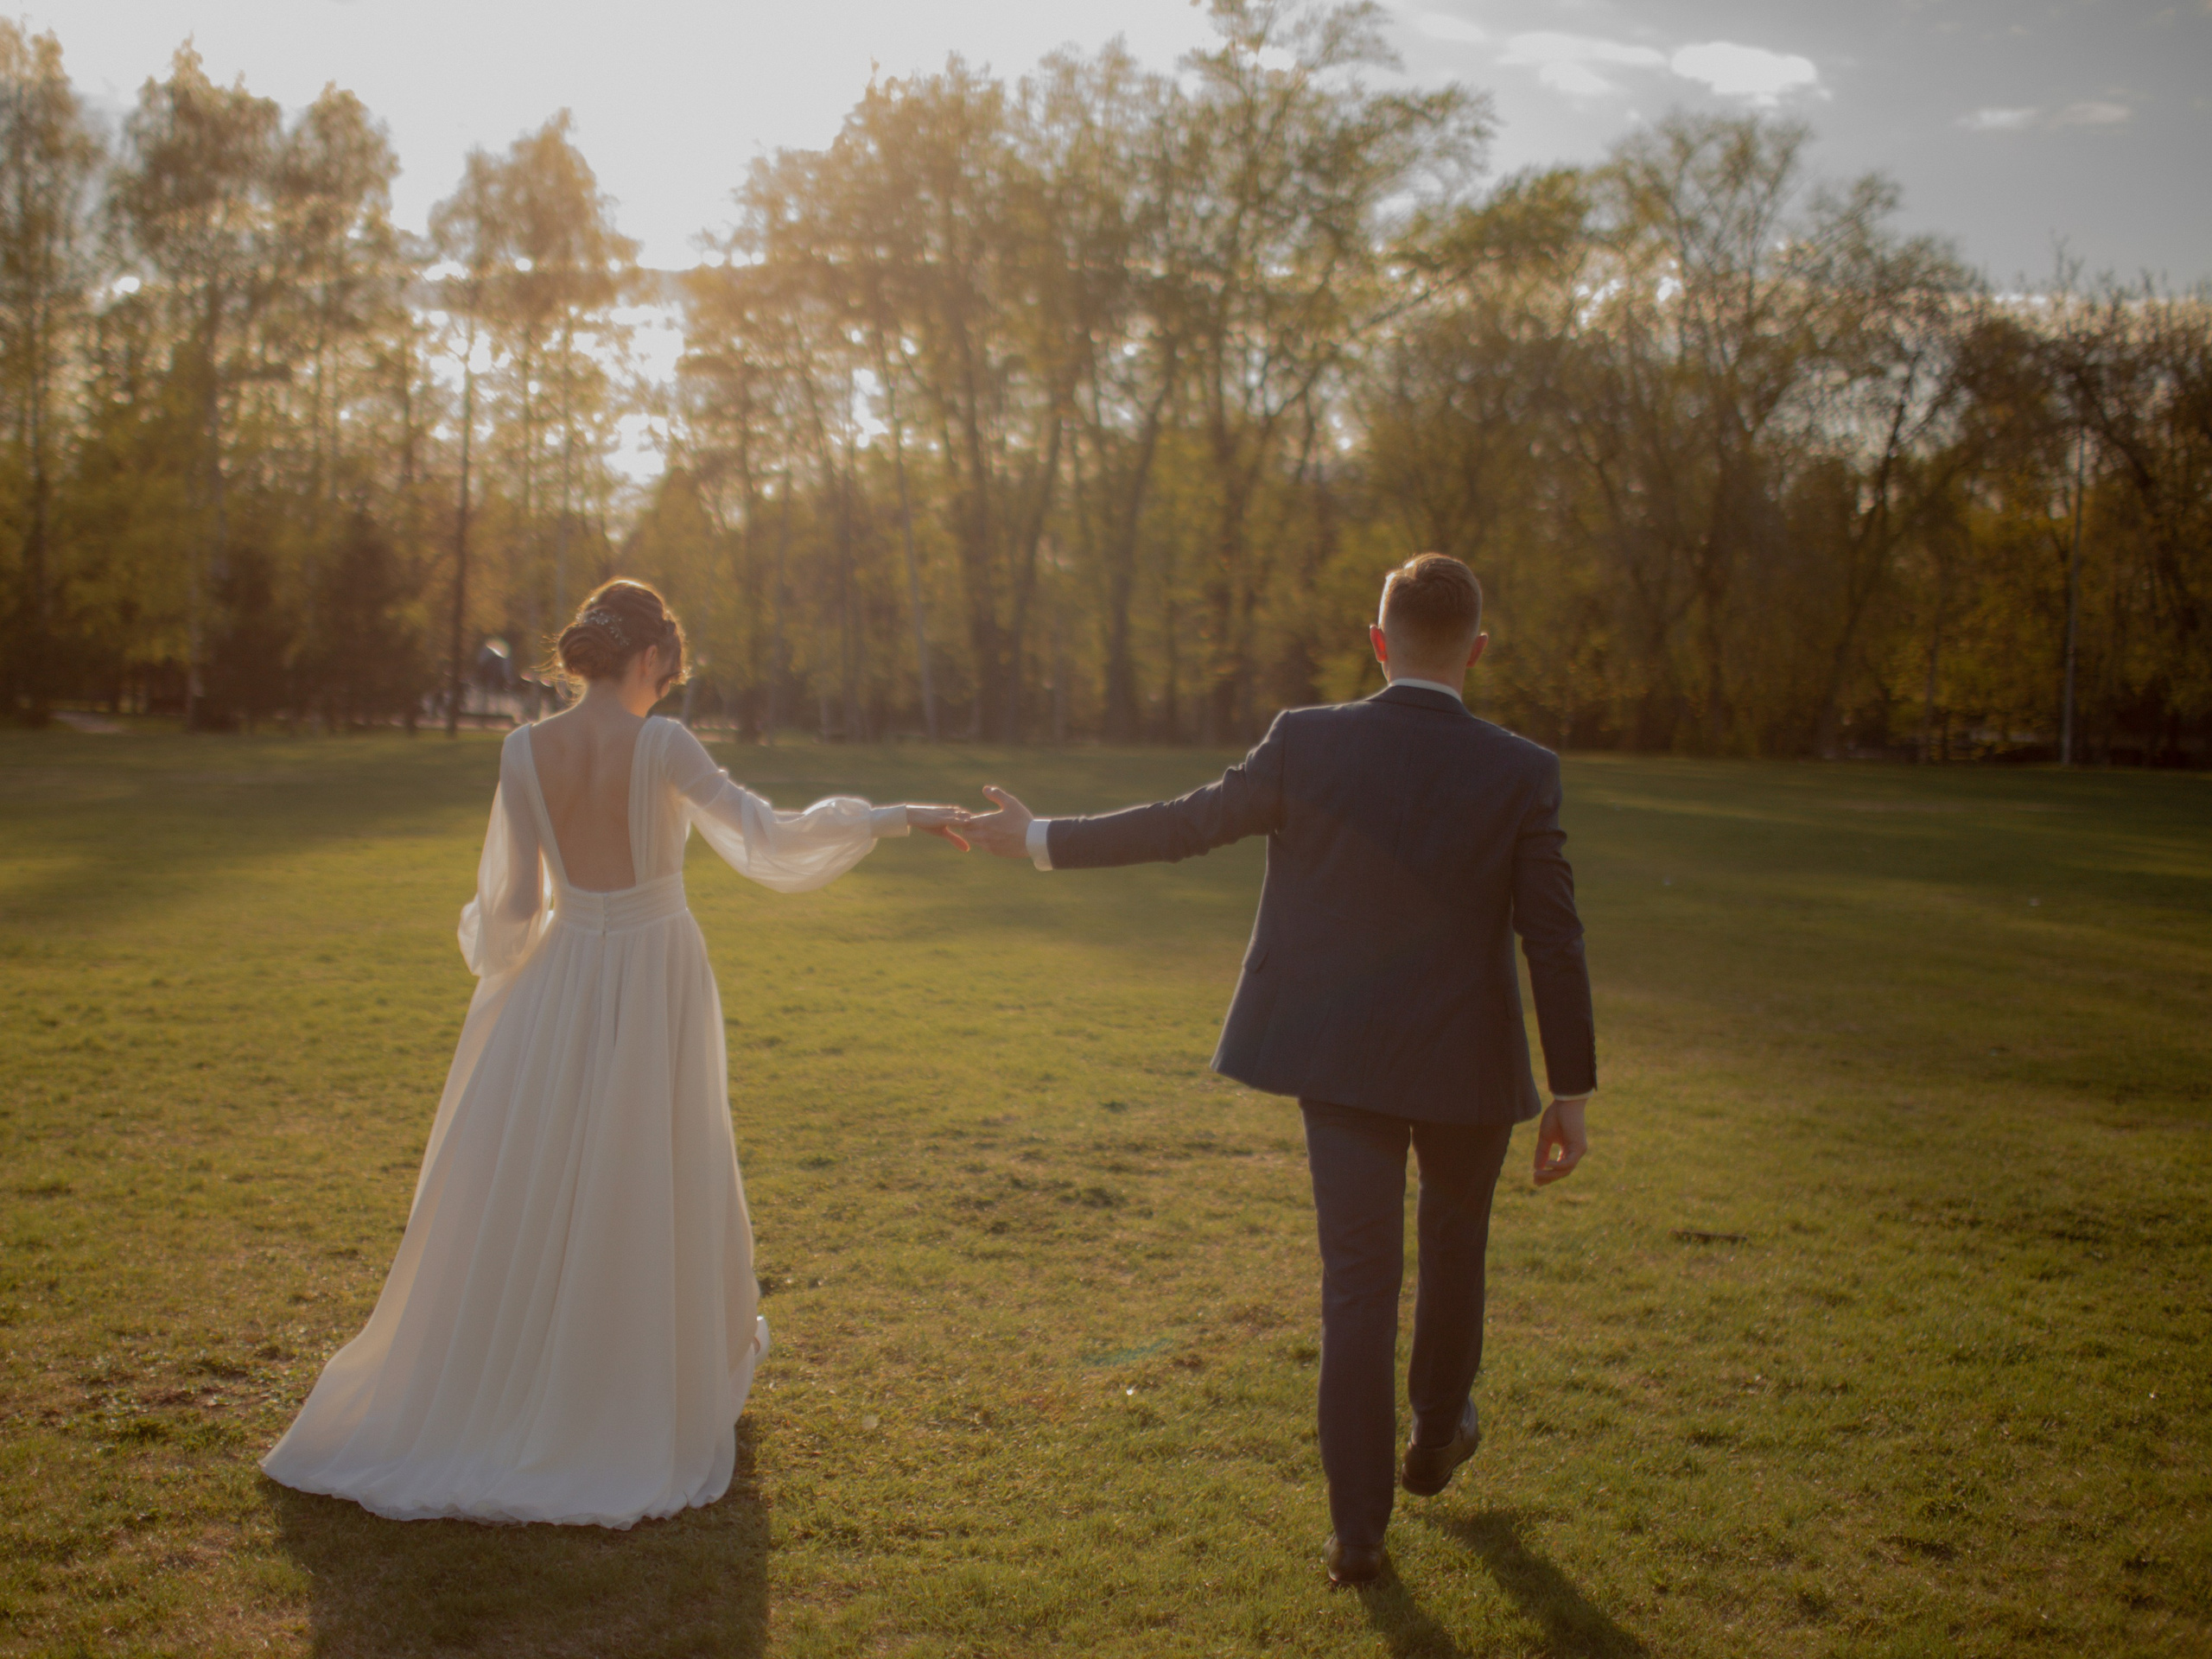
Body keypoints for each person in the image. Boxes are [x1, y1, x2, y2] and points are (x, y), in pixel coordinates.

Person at [261, 580, 968, 1526]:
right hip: (652, 967)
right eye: (666, 674)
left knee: (543, 1171)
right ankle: (622, 1385)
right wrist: (899, 815)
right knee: (653, 1164)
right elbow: (768, 838)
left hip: (558, 978)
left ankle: (530, 1370)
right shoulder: (662, 744)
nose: (665, 692)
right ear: (647, 660)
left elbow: (511, 911)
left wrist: (516, 970)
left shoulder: (522, 750)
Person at [959, 554, 1596, 1586]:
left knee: (1356, 1289)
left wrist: (1032, 836)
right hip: (1469, 1066)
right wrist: (1570, 1090)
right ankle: (1437, 1434)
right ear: (1475, 651)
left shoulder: (1308, 740)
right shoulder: (1524, 769)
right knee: (1455, 1246)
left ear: (1378, 642)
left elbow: (1182, 825)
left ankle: (1357, 1539)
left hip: (1337, 1058)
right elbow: (1553, 937)